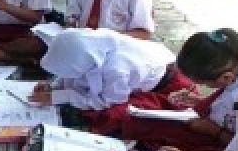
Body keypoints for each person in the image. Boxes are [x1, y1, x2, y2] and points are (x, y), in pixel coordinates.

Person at [120, 28, 238, 151]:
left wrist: (214, 130)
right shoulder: (236, 76)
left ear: (226, 78)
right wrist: (199, 101)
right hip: (206, 125)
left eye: (203, 83)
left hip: (222, 145)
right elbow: (225, 108)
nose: (200, 86)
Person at [30, 27, 179, 111]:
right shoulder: (90, 47)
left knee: (109, 117)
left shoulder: (117, 70)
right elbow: (75, 68)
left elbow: (107, 101)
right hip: (118, 69)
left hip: (159, 78)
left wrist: (61, 96)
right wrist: (53, 86)